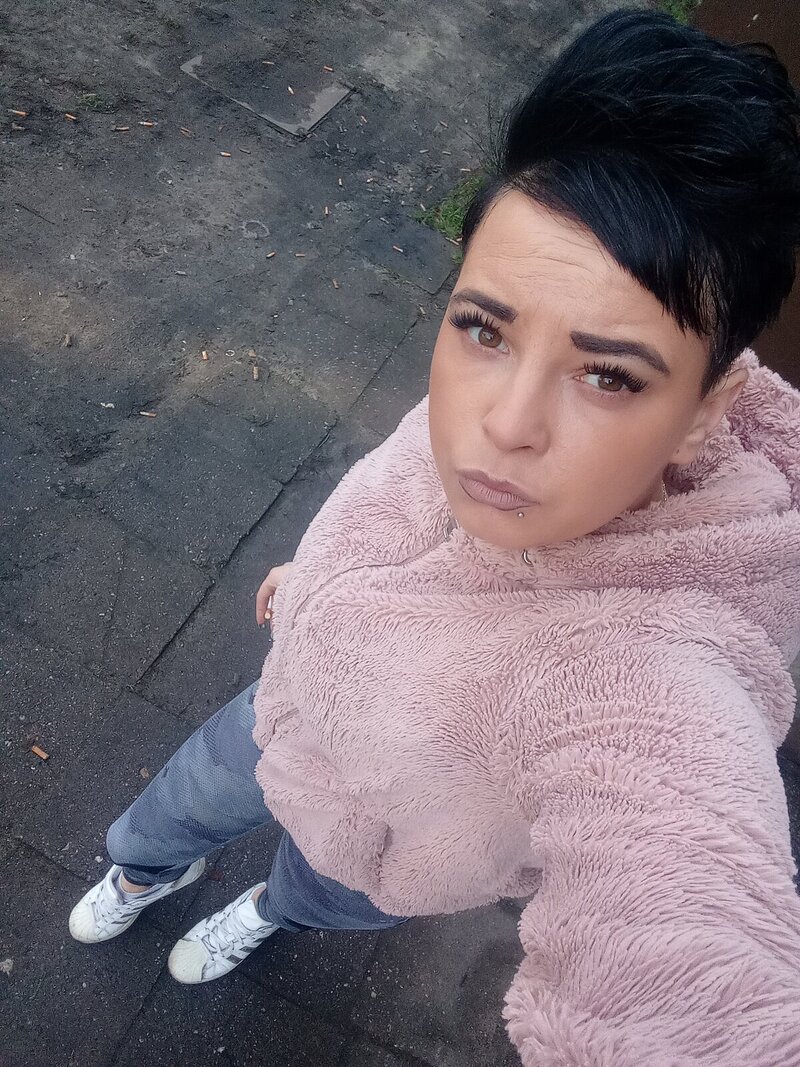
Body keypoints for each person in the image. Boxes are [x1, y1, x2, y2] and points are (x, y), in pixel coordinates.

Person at [69, 9, 800, 1064]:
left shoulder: (655, 675)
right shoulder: (498, 429)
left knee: (309, 894)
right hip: (282, 712)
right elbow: (398, 489)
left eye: (607, 374)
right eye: (484, 327)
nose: (503, 423)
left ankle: (263, 914)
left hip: (388, 856)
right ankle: (147, 872)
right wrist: (316, 576)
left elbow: (688, 945)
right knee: (165, 816)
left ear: (703, 409)